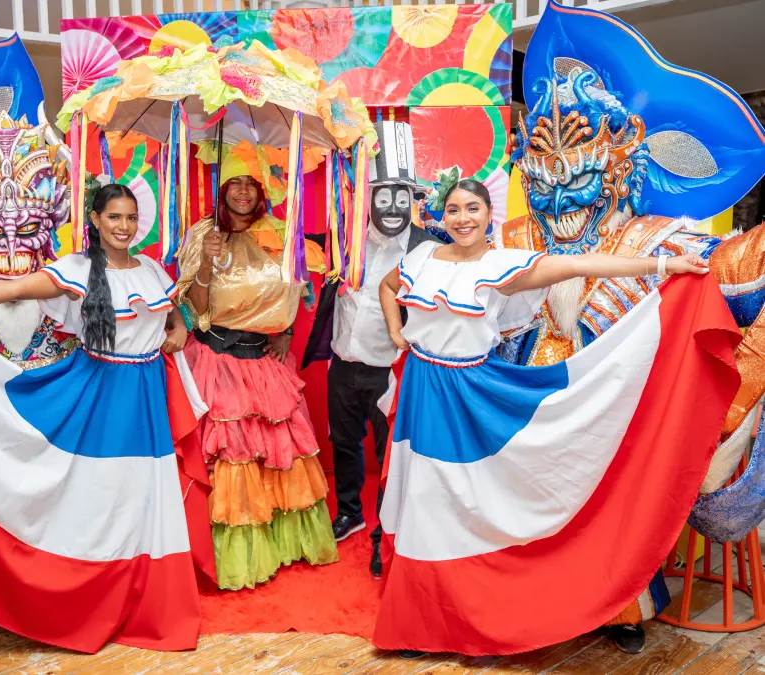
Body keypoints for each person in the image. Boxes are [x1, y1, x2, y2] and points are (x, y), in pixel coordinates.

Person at [373, 179, 722, 659]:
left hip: (468, 395)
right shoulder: (422, 258)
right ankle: (418, 617)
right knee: (422, 500)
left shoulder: (502, 265)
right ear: (442, 216)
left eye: (472, 208)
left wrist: (665, 264)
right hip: (420, 389)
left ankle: (463, 611)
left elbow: (580, 263)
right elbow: (387, 286)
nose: (462, 218)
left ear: (487, 213)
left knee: (455, 501)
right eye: (453, 209)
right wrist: (397, 332)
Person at [0, 184, 209, 653]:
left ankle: (146, 600)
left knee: (145, 498)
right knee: (103, 498)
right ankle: (87, 598)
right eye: (114, 217)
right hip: (98, 398)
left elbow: (173, 315)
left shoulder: (152, 270)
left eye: (130, 218)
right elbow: (11, 289)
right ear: (95, 219)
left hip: (146, 398)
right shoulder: (77, 269)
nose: (124, 227)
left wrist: (177, 330)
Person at [176, 172, 338, 591]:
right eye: (235, 183)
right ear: (222, 190)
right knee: (232, 456)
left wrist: (284, 331)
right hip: (215, 358)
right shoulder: (202, 233)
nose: (244, 192)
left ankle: (279, 545)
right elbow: (194, 309)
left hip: (261, 360)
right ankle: (229, 554)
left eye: (252, 183)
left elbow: (294, 289)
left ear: (262, 192)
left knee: (278, 452)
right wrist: (208, 260)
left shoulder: (278, 233)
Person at [303, 121, 439, 578]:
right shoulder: (345, 236)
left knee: (390, 455)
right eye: (383, 195)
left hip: (392, 371)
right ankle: (349, 511)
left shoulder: (427, 249)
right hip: (344, 364)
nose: (393, 206)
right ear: (368, 196)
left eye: (402, 196)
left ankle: (386, 533)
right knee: (343, 442)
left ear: (413, 199)